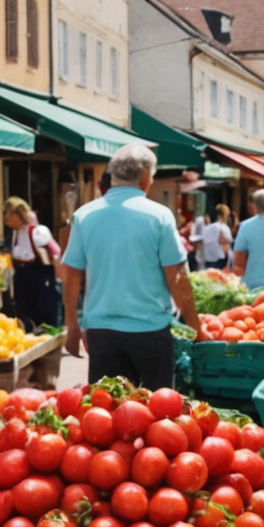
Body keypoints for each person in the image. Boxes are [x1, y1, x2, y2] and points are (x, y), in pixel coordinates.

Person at [61, 144, 200, 388]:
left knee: (106, 417)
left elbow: (72, 275)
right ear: (145, 175)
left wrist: (72, 326)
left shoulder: (85, 215)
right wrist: (195, 326)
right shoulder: (159, 216)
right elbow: (176, 277)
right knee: (157, 416)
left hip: (101, 333)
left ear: (113, 174)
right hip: (150, 333)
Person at [5, 197, 61, 329]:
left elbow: (54, 254)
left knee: (43, 315)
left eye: (10, 213)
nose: (6, 217)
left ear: (21, 213)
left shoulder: (37, 231)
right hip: (22, 280)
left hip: (39, 280)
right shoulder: (14, 234)